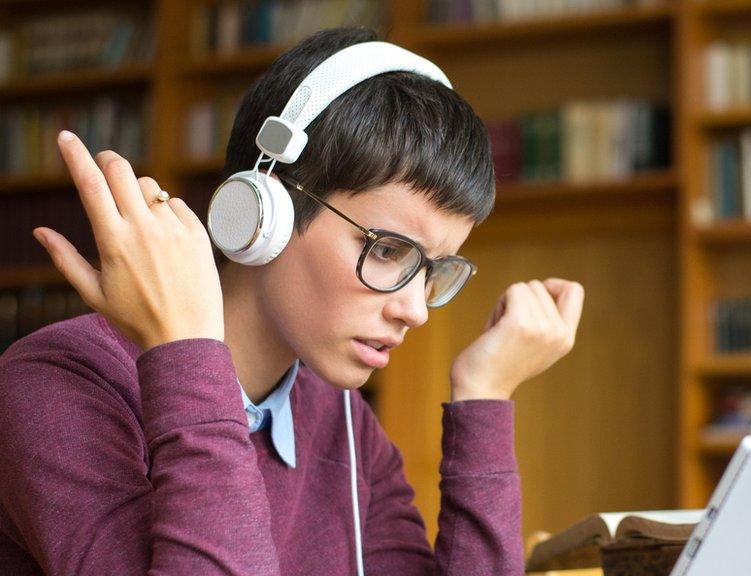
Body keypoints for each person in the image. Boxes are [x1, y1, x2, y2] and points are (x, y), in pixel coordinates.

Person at [0, 26, 584, 575]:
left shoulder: (341, 421)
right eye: (386, 250)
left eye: (431, 270)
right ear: (260, 213)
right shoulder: (54, 383)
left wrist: (484, 396)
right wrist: (186, 354)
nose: (415, 309)